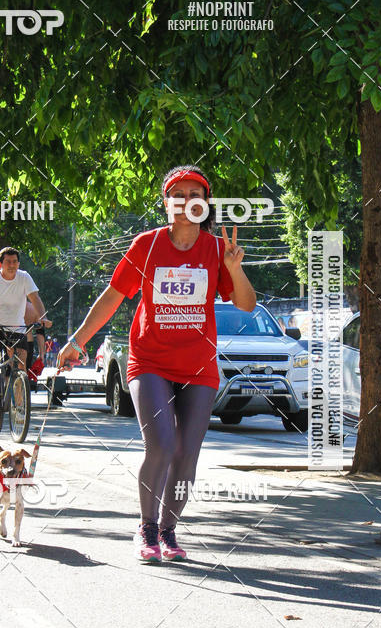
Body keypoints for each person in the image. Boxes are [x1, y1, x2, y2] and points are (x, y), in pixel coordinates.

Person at [58, 165, 256, 563]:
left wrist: (234, 268)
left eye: (194, 194)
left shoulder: (218, 250)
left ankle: (169, 530)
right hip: (149, 360)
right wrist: (78, 340)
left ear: (206, 204)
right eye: (177, 194)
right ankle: (146, 527)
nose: (186, 201)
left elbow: (246, 304)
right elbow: (113, 297)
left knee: (187, 454)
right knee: (163, 445)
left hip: (198, 366)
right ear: (166, 202)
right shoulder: (146, 245)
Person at [0, 247, 48, 405]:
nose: (12, 265)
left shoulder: (24, 277)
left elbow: (35, 298)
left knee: (20, 366)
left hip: (16, 327)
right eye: (8, 262)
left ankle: (20, 407)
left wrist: (43, 317)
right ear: (0, 264)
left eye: (15, 262)